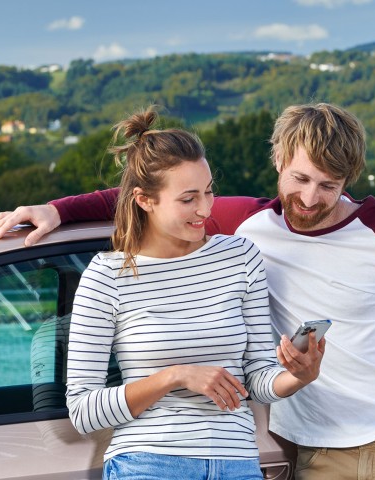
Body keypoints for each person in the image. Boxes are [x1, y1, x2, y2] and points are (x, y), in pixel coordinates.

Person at [0, 103, 375, 479]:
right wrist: (59, 209)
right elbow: (157, 194)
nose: (309, 199)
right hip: (314, 452)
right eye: (300, 179)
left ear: (348, 179)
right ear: (279, 160)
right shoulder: (252, 227)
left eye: (329, 185)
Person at [61, 107, 324, 480]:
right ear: (144, 199)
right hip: (148, 465)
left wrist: (300, 375)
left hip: (237, 464)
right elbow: (84, 411)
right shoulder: (107, 277)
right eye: (188, 199)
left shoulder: (240, 256)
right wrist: (175, 376)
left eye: (209, 191)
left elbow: (259, 380)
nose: (205, 209)